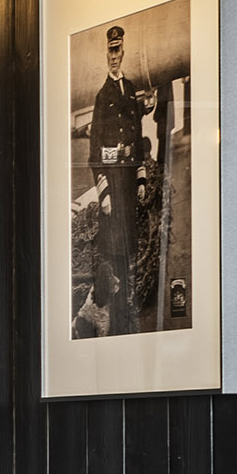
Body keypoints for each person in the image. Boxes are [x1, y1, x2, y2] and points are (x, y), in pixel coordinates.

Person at [86, 23, 153, 335]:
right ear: (106, 54)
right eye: (109, 52)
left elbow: (137, 138)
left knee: (129, 248)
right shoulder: (103, 97)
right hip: (112, 186)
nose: (113, 57)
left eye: (118, 51)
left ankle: (129, 306)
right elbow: (94, 151)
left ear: (123, 51)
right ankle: (115, 314)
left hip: (128, 184)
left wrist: (140, 179)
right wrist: (104, 194)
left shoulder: (131, 90)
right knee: (113, 250)